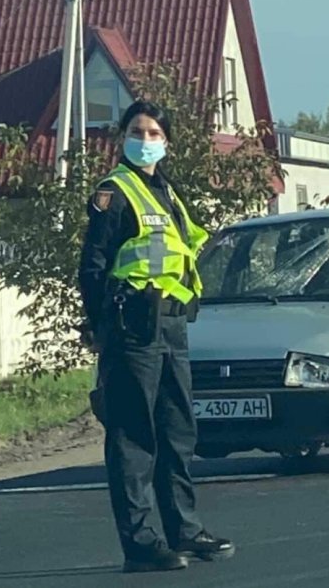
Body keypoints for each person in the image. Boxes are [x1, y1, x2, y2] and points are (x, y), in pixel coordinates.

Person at [78, 100, 235, 573]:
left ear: (166, 142)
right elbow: (93, 266)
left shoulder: (166, 192)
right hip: (131, 327)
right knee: (134, 436)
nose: (144, 140)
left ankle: (184, 530)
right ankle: (142, 545)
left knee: (177, 430)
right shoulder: (114, 192)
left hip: (170, 326)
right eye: (137, 131)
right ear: (121, 136)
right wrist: (97, 327)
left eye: (153, 134)